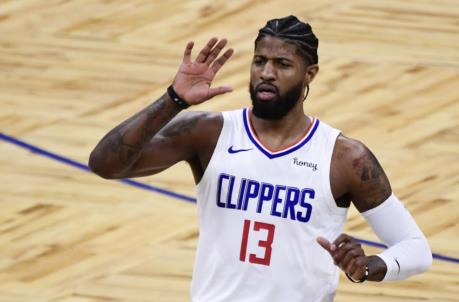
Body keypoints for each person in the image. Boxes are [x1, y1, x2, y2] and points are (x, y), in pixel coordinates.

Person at [89, 15, 432, 302]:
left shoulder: (344, 158)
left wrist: (369, 266)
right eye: (259, 61)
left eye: (282, 64)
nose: (267, 73)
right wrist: (173, 100)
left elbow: (416, 249)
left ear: (309, 74)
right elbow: (104, 164)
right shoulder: (208, 132)